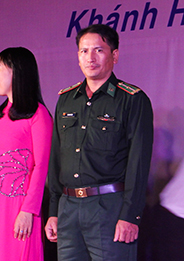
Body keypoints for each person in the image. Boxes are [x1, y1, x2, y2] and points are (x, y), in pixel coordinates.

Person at [45, 24, 154, 261]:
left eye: (98, 50)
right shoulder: (66, 99)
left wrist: (130, 215)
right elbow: (55, 159)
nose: (90, 58)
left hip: (110, 208)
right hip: (69, 208)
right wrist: (53, 211)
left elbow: (138, 163)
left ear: (114, 55)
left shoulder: (132, 99)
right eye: (84, 51)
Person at [0, 47, 53, 260]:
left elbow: (40, 167)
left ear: (17, 72)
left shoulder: (38, 115)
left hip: (16, 206)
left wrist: (29, 211)